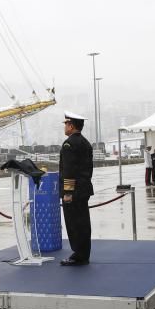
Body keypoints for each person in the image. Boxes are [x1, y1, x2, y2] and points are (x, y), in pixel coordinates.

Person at [59, 112, 93, 266]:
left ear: (71, 126)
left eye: (66, 124)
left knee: (74, 224)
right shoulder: (86, 143)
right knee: (84, 223)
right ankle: (84, 253)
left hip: (73, 193)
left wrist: (67, 192)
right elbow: (89, 169)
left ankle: (78, 255)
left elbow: (69, 170)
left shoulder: (69, 144)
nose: (65, 127)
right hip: (84, 189)